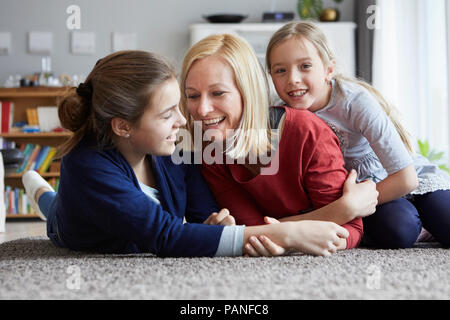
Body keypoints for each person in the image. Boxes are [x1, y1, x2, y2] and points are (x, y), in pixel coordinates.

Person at [22, 50, 358, 258]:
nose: (186, 119)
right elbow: (167, 237)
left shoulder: (172, 151)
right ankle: (39, 189)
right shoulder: (87, 166)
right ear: (123, 127)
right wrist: (283, 234)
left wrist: (217, 223)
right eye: (168, 114)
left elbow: (204, 216)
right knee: (54, 213)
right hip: (77, 224)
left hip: (122, 221)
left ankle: (40, 189)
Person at [179, 33, 379, 255]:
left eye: (218, 93)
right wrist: (339, 211)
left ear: (248, 92)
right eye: (193, 96)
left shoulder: (306, 132)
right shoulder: (211, 147)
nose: (202, 110)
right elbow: (252, 231)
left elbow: (350, 228)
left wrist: (344, 211)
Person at [265, 21, 450, 248]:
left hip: (404, 177)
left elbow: (406, 178)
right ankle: (422, 227)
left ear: (328, 69)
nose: (292, 79)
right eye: (280, 70)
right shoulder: (279, 115)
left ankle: (429, 218)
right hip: (364, 192)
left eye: (305, 66)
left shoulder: (353, 101)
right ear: (271, 76)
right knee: (398, 231)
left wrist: (351, 204)